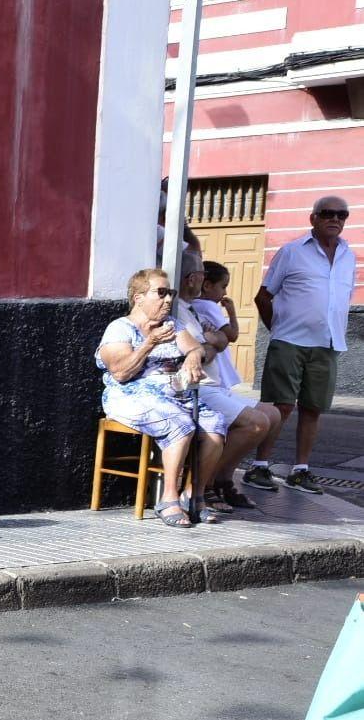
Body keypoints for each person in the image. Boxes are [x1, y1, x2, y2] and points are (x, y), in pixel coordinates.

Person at [96, 268, 228, 528]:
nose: (168, 299)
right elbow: (120, 372)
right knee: (180, 424)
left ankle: (194, 495)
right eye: (161, 292)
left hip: (173, 395)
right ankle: (168, 499)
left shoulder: (172, 325)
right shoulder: (120, 328)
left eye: (171, 293)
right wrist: (149, 343)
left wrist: (192, 357)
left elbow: (196, 348)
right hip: (129, 395)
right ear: (139, 297)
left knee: (216, 425)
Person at [248, 196, 356, 495]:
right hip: (289, 341)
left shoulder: (348, 256)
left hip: (328, 343)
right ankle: (259, 466)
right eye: (327, 213)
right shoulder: (292, 252)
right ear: (313, 218)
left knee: (313, 408)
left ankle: (300, 470)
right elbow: (263, 296)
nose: (335, 219)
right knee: (280, 406)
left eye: (342, 215)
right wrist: (278, 329)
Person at [180, 259, 281, 511]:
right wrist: (211, 342)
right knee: (257, 423)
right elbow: (208, 349)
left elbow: (221, 340)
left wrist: (212, 342)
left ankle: (223, 479)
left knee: (273, 413)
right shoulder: (181, 310)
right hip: (199, 386)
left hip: (214, 384)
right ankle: (204, 484)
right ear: (193, 279)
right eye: (199, 275)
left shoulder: (192, 308)